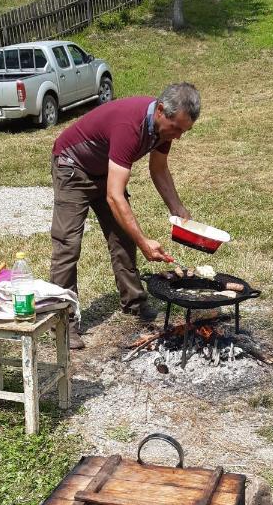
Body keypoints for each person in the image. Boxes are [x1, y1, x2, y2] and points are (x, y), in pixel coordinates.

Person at [49, 82, 200, 349]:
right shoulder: (130, 126)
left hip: (104, 169)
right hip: (72, 167)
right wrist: (145, 242)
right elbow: (114, 196)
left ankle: (134, 303)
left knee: (122, 238)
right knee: (67, 246)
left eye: (184, 131)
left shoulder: (162, 129)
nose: (177, 136)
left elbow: (159, 169)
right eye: (176, 128)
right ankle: (62, 323)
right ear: (161, 110)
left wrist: (177, 208)